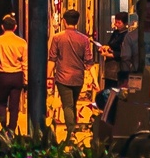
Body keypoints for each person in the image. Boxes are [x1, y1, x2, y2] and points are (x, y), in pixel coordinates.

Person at [49, 8, 102, 139]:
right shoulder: (84, 39)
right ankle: (72, 127)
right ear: (77, 22)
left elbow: (52, 59)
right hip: (78, 78)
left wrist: (47, 76)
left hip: (62, 77)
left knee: (67, 105)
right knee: (72, 103)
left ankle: (71, 131)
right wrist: (95, 81)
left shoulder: (57, 38)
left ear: (64, 21)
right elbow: (89, 62)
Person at [0, 14, 28, 132]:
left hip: (3, 76)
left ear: (2, 27)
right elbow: (25, 63)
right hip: (17, 76)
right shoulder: (22, 42)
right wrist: (26, 79)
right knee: (14, 105)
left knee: (0, 102)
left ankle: (4, 126)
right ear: (15, 27)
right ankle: (12, 129)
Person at [102, 11, 131, 84]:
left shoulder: (127, 35)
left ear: (126, 24)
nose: (116, 24)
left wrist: (110, 54)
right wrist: (105, 47)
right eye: (115, 22)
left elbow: (125, 54)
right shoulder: (116, 33)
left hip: (119, 67)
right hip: (110, 66)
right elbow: (110, 44)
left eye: (119, 23)